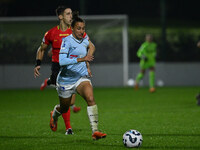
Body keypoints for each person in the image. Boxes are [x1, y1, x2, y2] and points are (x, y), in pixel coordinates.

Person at [34, 6, 93, 135]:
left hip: (76, 69)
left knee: (70, 102)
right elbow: (41, 49)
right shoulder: (51, 33)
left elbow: (86, 48)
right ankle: (68, 128)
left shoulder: (76, 31)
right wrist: (38, 64)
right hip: (58, 68)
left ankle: (55, 112)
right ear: (60, 16)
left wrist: (87, 66)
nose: (70, 16)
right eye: (67, 14)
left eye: (71, 14)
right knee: (67, 102)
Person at [49, 14, 107, 140]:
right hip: (65, 81)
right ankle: (54, 115)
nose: (82, 31)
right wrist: (82, 58)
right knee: (64, 108)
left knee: (90, 98)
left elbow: (92, 46)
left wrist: (87, 64)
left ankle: (95, 131)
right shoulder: (67, 41)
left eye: (83, 28)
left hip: (80, 77)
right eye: (79, 28)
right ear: (72, 29)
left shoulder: (85, 39)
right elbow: (62, 61)